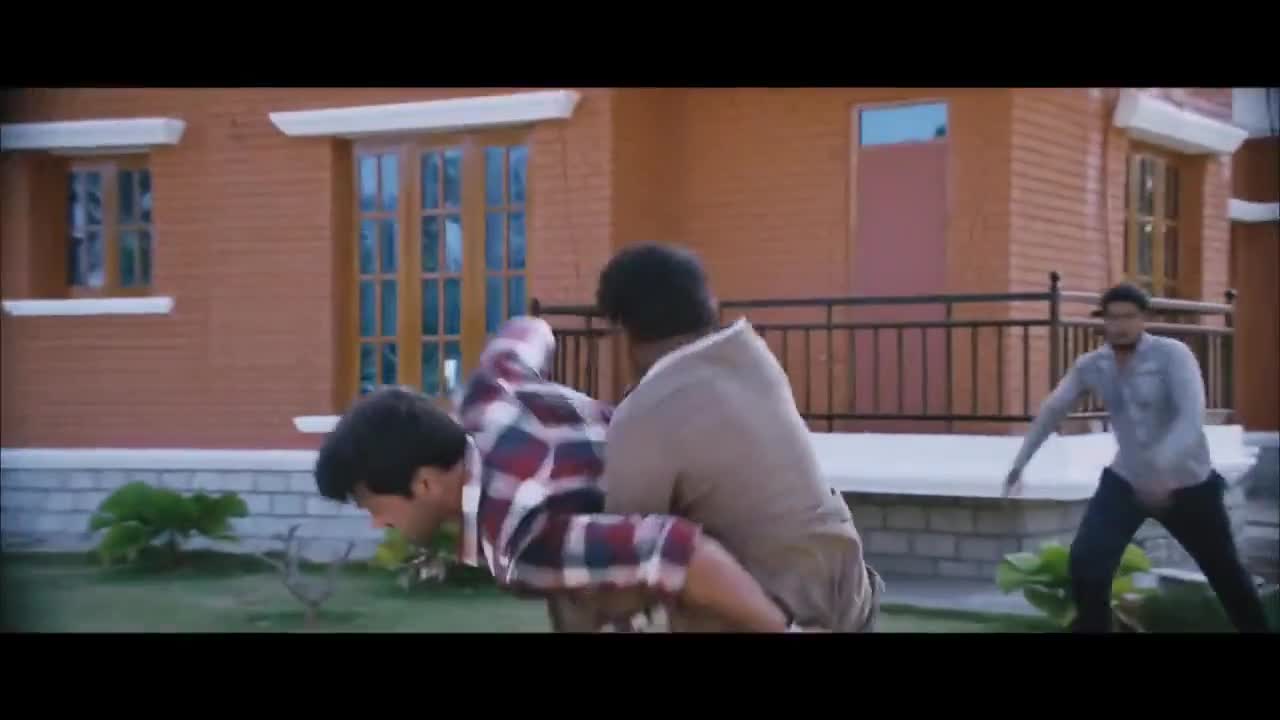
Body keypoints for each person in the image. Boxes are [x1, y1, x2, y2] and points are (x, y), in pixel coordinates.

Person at [313, 317, 804, 633]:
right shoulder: (489, 393)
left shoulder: (520, 541)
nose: (377, 523)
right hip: (738, 454)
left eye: (374, 506)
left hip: (757, 541)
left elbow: (674, 550)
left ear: (424, 484)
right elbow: (529, 328)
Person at [591, 243, 882, 632]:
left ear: (621, 327)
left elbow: (626, 568)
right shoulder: (753, 358)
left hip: (784, 616)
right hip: (852, 597)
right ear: (707, 303)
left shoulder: (646, 412)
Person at [1003, 282, 1268, 633]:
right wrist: (1020, 463)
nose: (1121, 326)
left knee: (1225, 572)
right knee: (1087, 561)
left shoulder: (1173, 355)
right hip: (1126, 480)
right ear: (1104, 321)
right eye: (1113, 318)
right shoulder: (1093, 364)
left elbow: (1191, 418)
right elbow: (1054, 409)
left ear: (1144, 318)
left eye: (1129, 317)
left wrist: (1160, 471)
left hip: (1188, 484)